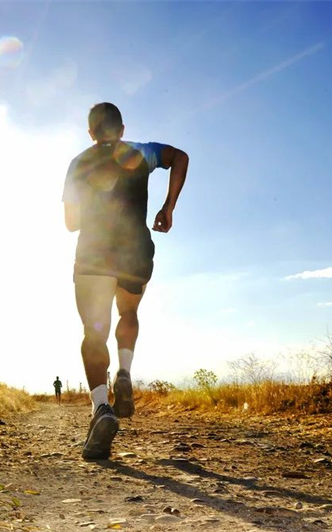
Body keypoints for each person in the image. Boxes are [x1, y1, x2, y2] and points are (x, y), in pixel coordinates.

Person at [62, 102, 189, 460]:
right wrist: (168, 208)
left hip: (94, 253)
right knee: (128, 313)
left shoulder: (78, 163)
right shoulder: (141, 152)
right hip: (135, 250)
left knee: (93, 331)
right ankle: (125, 372)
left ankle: (101, 407)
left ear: (90, 133)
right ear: (121, 128)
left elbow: (71, 222)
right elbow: (180, 157)